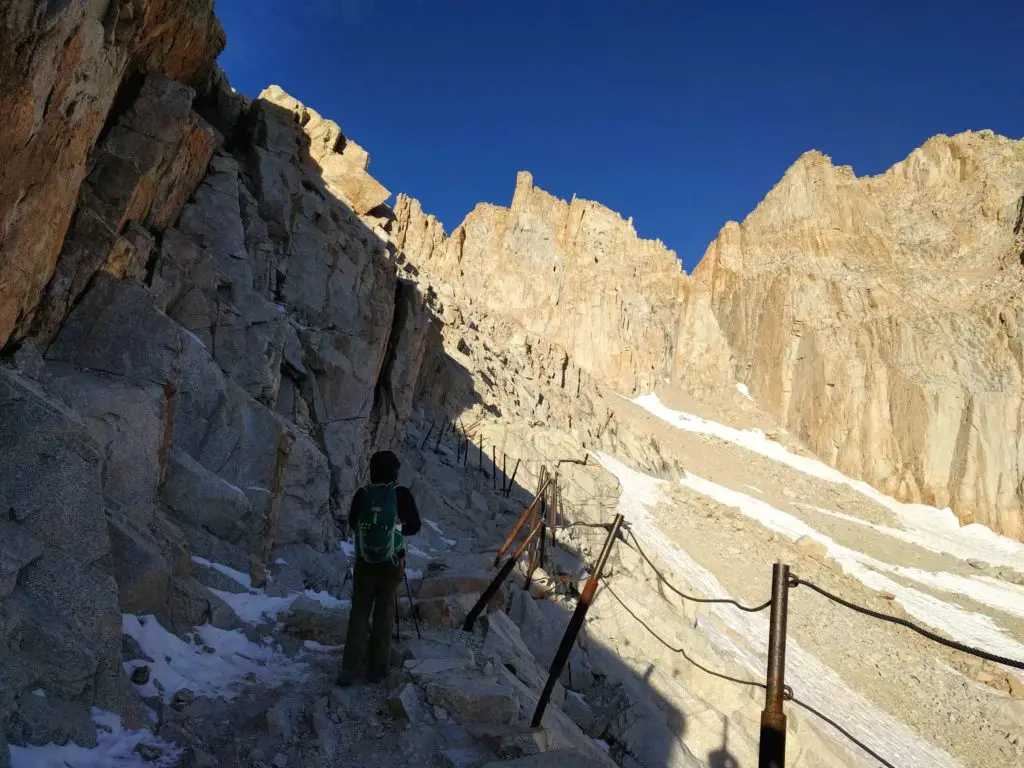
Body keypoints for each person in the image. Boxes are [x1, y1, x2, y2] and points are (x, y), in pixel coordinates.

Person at [338, 450, 421, 686]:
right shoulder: (400, 494)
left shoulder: (362, 494)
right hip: (392, 563)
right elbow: (414, 526)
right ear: (394, 471)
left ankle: (349, 669)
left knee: (359, 611)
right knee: (384, 612)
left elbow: (353, 523)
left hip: (365, 562)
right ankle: (376, 671)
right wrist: (395, 533)